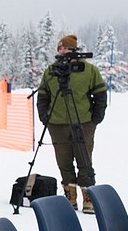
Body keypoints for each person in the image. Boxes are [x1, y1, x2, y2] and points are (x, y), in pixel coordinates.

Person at [37, 33, 107, 214]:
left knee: (84, 158)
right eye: (60, 49)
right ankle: (71, 196)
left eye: (66, 48)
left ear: (75, 50)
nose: (62, 51)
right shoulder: (52, 71)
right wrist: (44, 116)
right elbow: (43, 96)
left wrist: (96, 117)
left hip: (84, 122)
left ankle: (88, 196)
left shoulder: (89, 70)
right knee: (64, 160)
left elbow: (100, 94)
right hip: (57, 123)